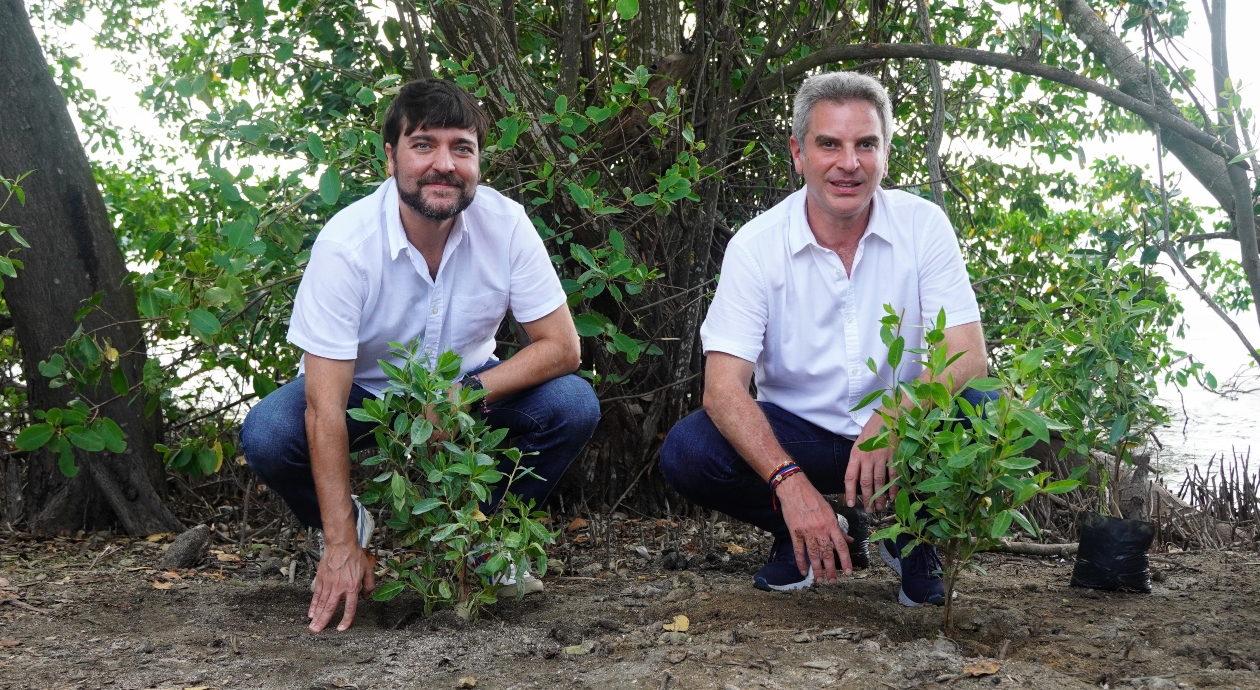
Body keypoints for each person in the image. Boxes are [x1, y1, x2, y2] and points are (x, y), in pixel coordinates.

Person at [240, 78, 600, 633]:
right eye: (424, 144)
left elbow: (563, 348)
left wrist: (465, 395)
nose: (444, 165)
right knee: (268, 432)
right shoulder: (346, 245)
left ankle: (484, 541)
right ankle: (348, 528)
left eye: (462, 147)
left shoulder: (505, 225)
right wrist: (337, 541)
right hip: (366, 394)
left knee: (573, 404)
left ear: (479, 160)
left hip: (466, 384)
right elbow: (324, 407)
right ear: (391, 158)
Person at [659, 72, 989, 606]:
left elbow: (968, 355)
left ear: (885, 151)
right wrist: (790, 484)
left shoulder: (924, 225)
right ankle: (807, 525)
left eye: (866, 144)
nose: (848, 163)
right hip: (800, 437)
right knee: (691, 449)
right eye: (829, 144)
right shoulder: (756, 245)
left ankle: (914, 534)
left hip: (904, 439)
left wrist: (899, 415)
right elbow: (723, 390)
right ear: (798, 153)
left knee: (985, 408)